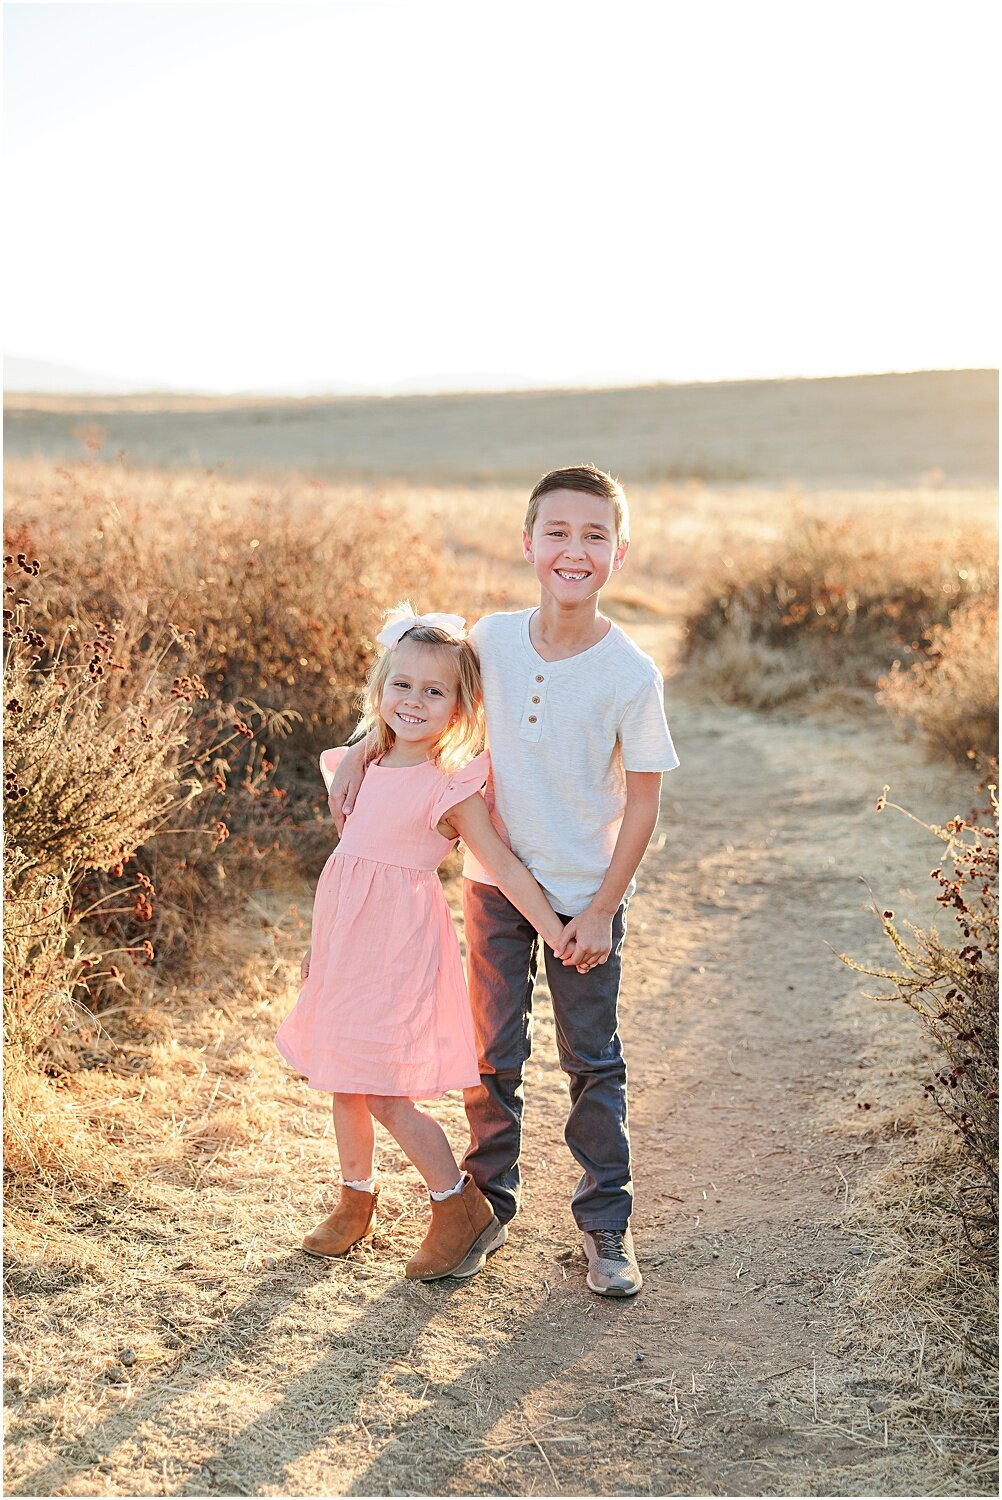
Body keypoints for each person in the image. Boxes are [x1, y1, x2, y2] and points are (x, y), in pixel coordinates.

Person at [329, 465, 679, 1297]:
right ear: (528, 544)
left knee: (591, 1060)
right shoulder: (490, 638)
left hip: (581, 896)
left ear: (619, 553)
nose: (574, 550)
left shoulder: (631, 675)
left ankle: (605, 1227)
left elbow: (642, 806)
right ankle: (483, 1212)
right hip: (492, 887)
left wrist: (600, 910)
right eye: (557, 532)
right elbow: (423, 700)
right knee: (493, 1058)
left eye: (595, 535)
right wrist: (363, 752)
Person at [276, 605, 567, 1283]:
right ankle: (355, 1201)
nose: (413, 700)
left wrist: (553, 931)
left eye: (434, 691)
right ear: (380, 686)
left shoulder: (449, 785)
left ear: (461, 706)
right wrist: (321, 949)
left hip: (398, 951)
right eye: (401, 684)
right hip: (347, 947)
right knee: (339, 1078)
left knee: (382, 1093)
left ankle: (460, 1208)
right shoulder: (361, 765)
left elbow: (501, 862)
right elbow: (349, 862)